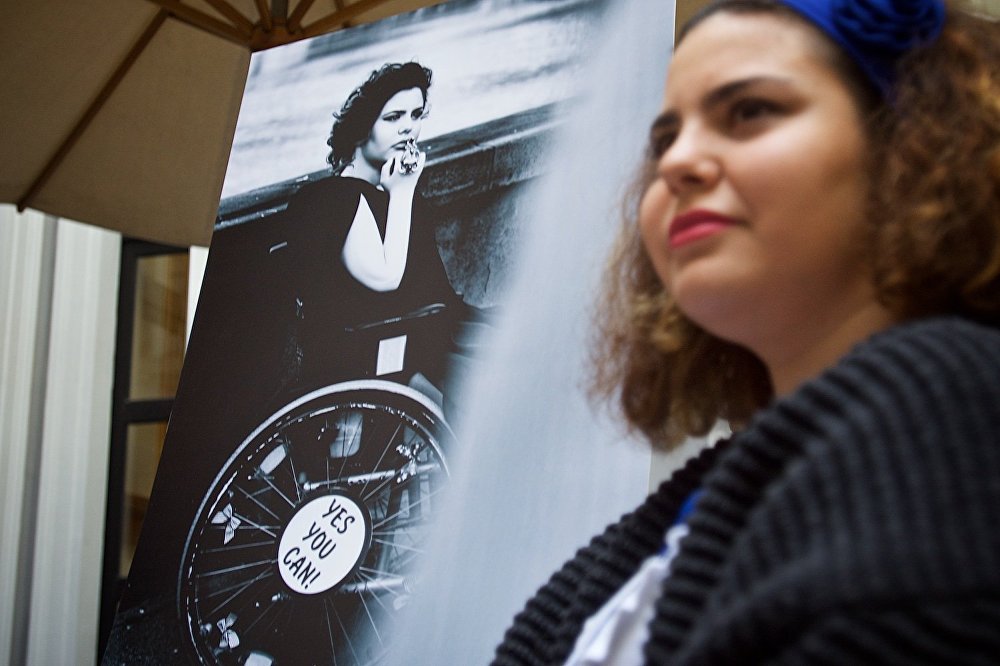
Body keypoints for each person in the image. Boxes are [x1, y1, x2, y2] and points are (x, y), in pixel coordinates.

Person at [493, 0, 1000, 663]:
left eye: (750, 110)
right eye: (664, 140)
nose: (676, 163)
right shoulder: (700, 504)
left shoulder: (949, 410)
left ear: (914, 144)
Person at [272, 62, 462, 394]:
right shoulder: (335, 197)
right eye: (393, 118)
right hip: (376, 358)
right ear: (363, 128)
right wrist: (402, 191)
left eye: (416, 115)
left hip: (426, 337)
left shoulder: (393, 193)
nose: (409, 128)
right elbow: (385, 277)